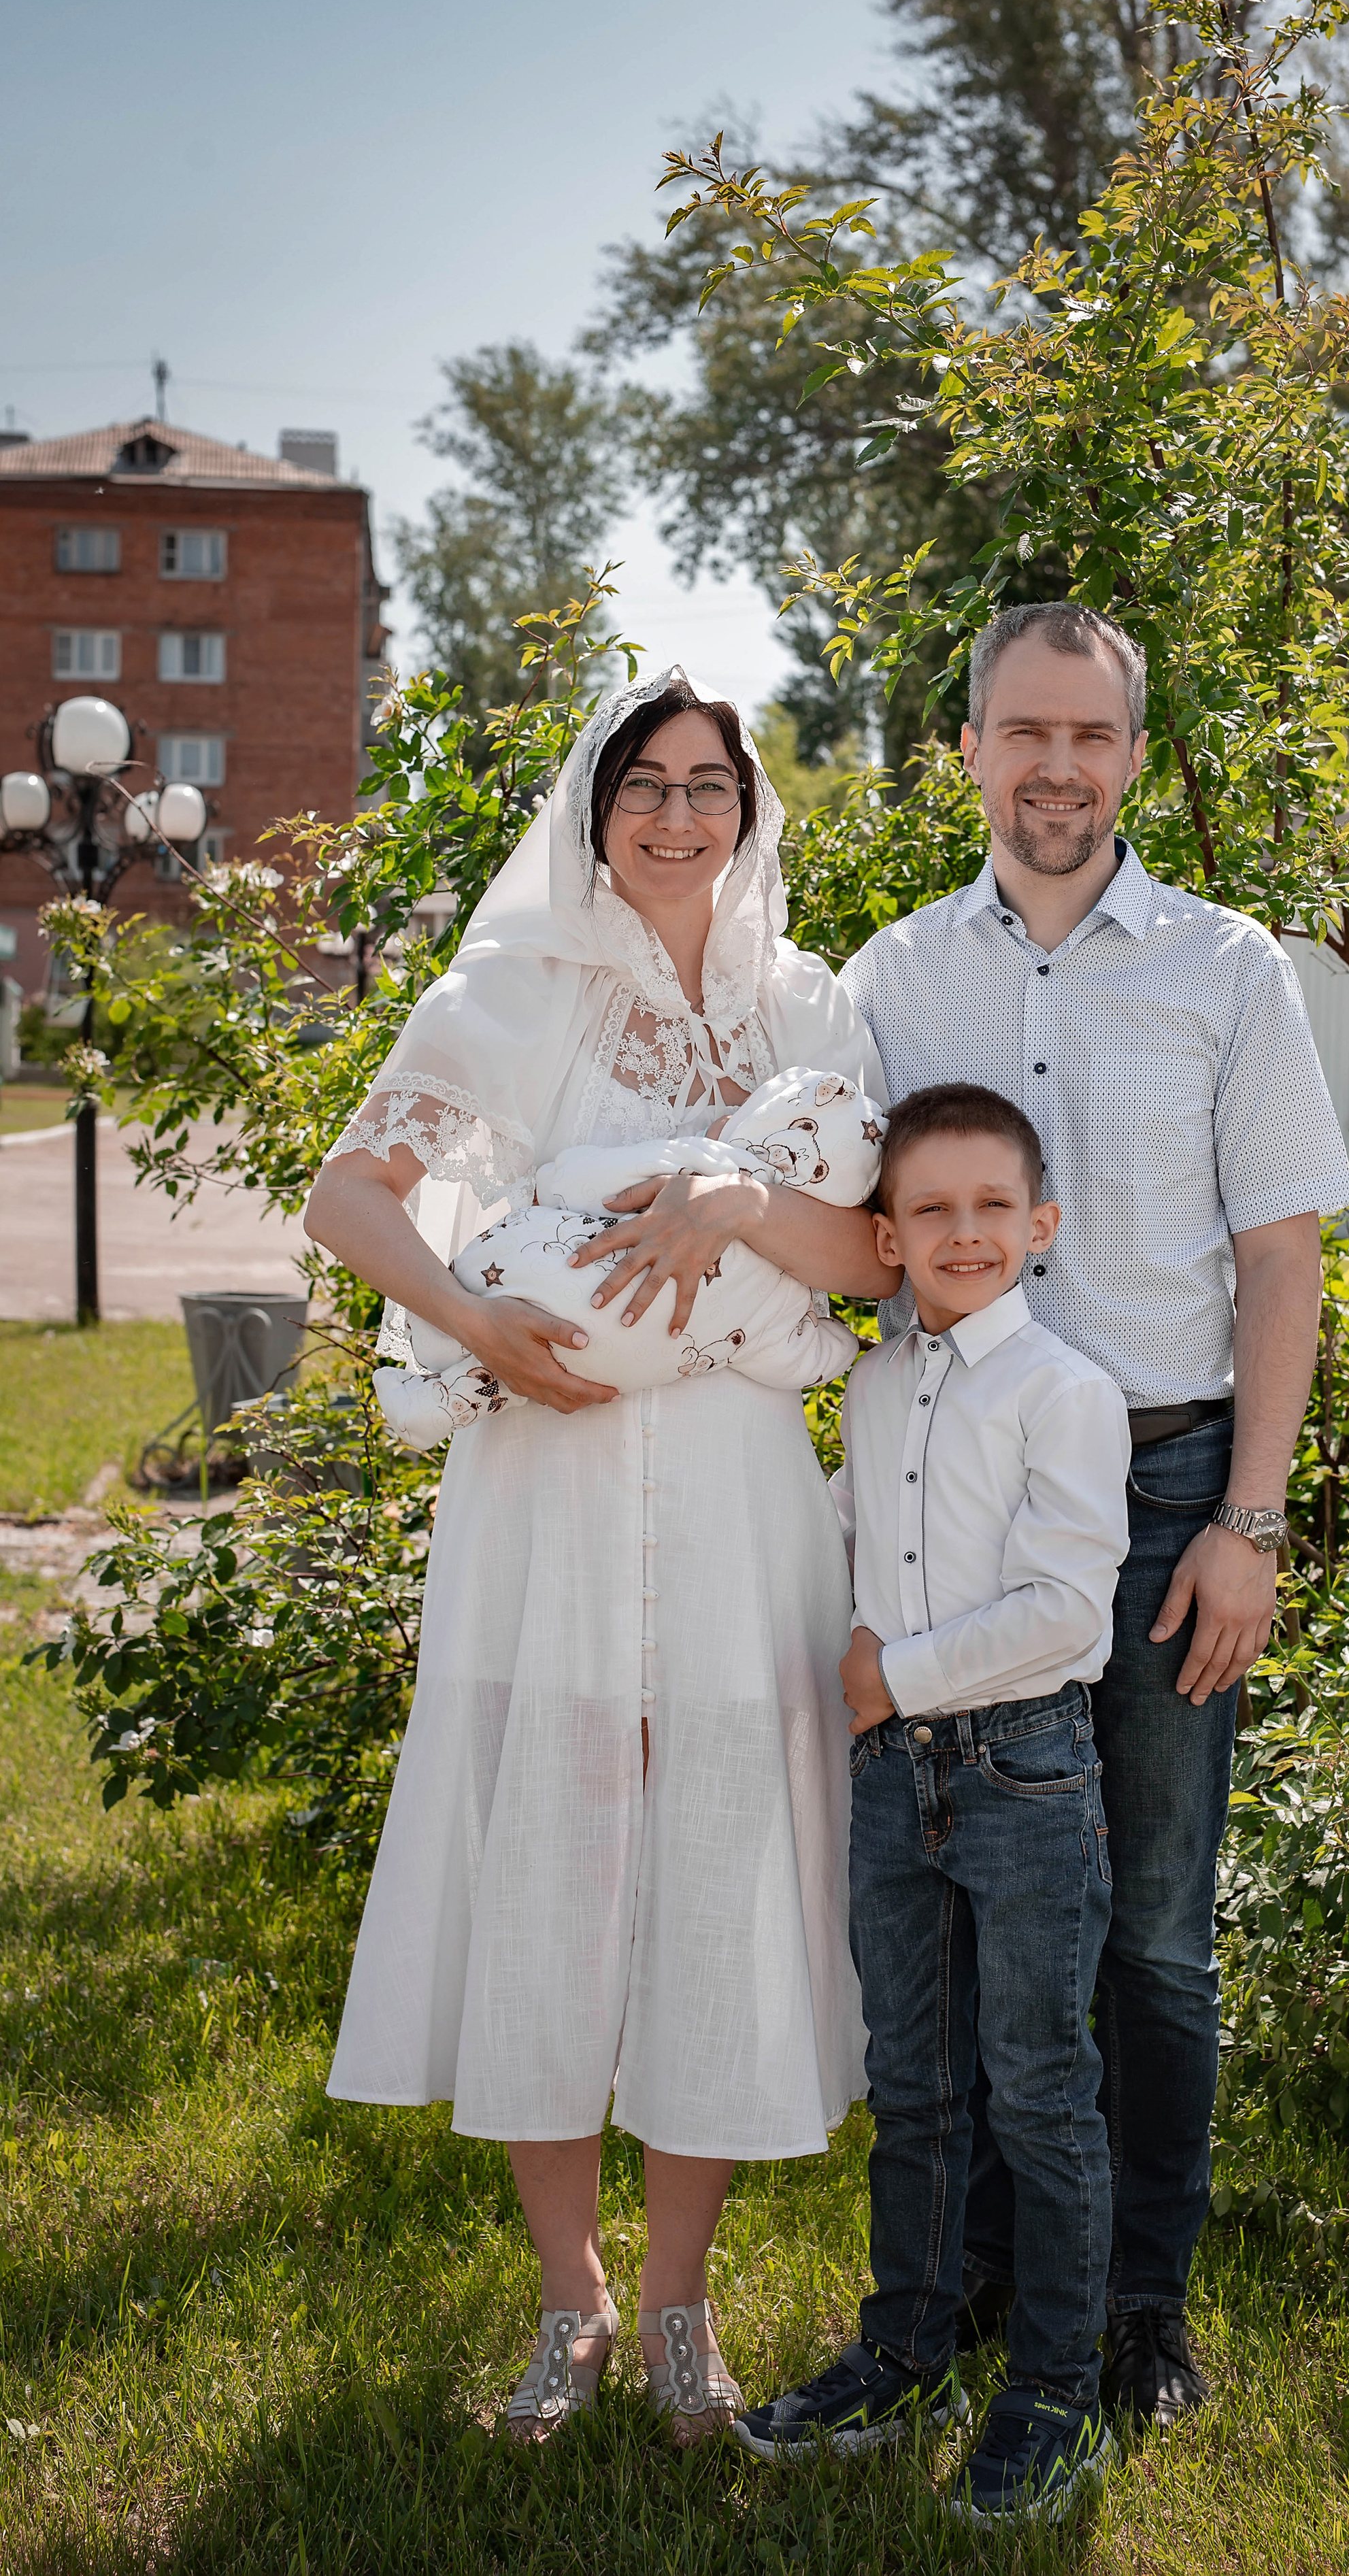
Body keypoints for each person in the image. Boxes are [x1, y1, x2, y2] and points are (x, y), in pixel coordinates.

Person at [305, 667, 897, 2445]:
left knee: (717, 1870)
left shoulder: (809, 1006)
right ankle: (566, 2303)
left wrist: (734, 1204)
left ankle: (677, 2310)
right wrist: (477, 1326)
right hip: (547, 1493)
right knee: (551, 1869)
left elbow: (873, 1261)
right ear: (593, 807)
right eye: (642, 783)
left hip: (734, 1498)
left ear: (749, 808)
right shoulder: (513, 989)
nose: (675, 815)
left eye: (708, 783)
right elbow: (346, 1198)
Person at [837, 604, 1349, 2433]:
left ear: (1134, 755)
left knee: (1149, 1932)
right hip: (957, 1507)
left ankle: (1141, 2310)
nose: (1056, 766)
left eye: (1091, 735)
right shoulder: (892, 978)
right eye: (1024, 731)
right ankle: (986, 2277)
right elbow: (853, 1236)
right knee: (979, 1914)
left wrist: (1250, 1523)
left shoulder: (1227, 968)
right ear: (969, 749)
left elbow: (1280, 1253)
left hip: (1165, 1496)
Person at [735, 1084, 1131, 2525]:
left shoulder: (1065, 1393)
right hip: (893, 1777)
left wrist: (889, 1674)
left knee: (1037, 2087)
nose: (965, 1233)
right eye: (930, 1210)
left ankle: (1057, 2391)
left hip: (1025, 1771)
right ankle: (908, 2353)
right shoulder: (876, 1383)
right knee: (912, 2083)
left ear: (1042, 1224)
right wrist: (863, 1656)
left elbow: (1065, 1611)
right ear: (887, 1239)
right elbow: (857, 1544)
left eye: (991, 1207)